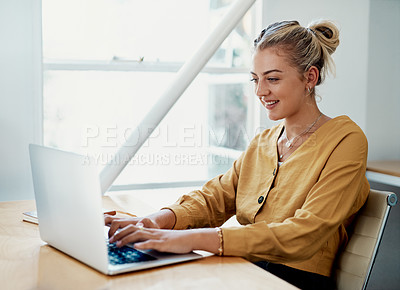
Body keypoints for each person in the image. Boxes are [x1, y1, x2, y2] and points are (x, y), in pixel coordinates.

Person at [105, 20, 370, 289]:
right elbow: (214, 200)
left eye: (273, 78)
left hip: (294, 280)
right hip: (242, 267)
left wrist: (190, 239)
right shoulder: (264, 141)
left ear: (310, 78)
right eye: (256, 79)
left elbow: (304, 234)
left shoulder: (346, 140)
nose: (260, 91)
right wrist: (155, 221)